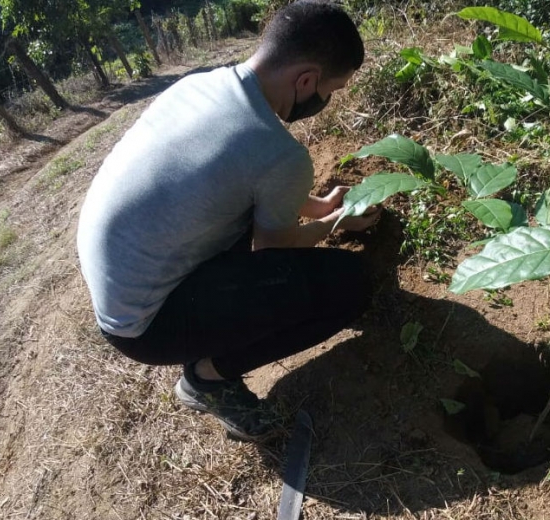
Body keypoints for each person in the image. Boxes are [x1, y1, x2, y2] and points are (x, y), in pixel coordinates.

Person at [76, 0, 381, 441]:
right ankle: (207, 378)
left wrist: (319, 206)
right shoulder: (278, 151)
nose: (326, 101)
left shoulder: (199, 86)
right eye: (332, 89)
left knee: (242, 223)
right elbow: (272, 254)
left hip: (120, 290)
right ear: (306, 80)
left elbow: (243, 178)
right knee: (350, 283)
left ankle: (208, 344)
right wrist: (334, 224)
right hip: (148, 325)